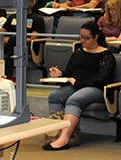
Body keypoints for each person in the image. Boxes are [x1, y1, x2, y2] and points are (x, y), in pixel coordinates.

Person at [43, 22, 116, 150]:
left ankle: (64, 138)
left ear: (96, 37)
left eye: (86, 38)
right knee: (55, 96)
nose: (83, 41)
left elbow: (102, 79)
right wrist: (60, 73)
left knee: (74, 100)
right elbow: (70, 72)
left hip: (97, 89)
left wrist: (78, 83)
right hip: (76, 85)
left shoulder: (106, 55)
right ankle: (56, 133)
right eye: (81, 37)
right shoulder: (78, 52)